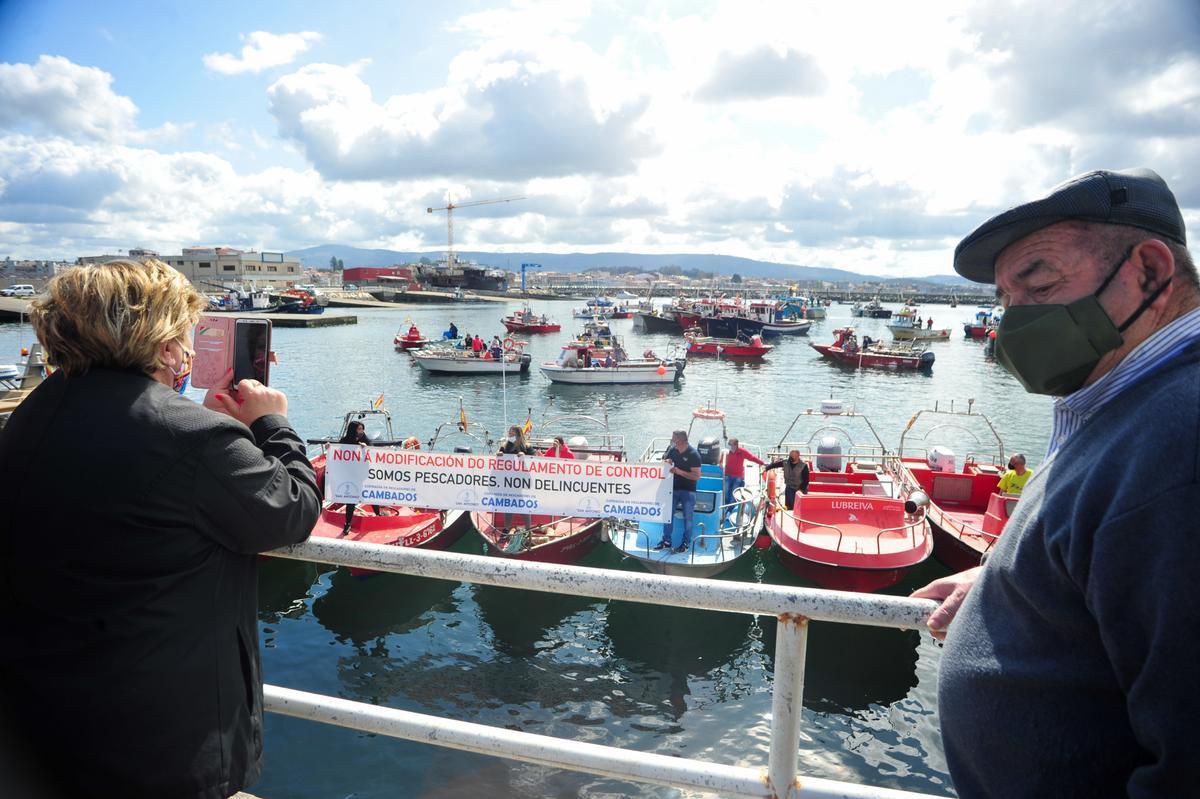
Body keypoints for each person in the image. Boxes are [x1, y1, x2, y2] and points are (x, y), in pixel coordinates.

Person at [911, 168, 1200, 798]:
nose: (1011, 322)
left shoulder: (1182, 442)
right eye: (1006, 300)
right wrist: (1009, 582)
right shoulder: (1124, 403)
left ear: (1149, 271)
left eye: (1037, 283)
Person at [0, 259, 321, 799]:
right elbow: (291, 511)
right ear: (165, 344)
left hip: (43, 722)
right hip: (157, 743)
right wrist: (271, 422)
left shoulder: (33, 415)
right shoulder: (195, 439)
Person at [655, 430, 702, 553]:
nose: (671, 441)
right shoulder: (672, 450)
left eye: (673, 439)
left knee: (688, 518)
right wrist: (666, 462)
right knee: (667, 515)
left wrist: (679, 471)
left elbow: (696, 476)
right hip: (673, 490)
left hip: (688, 491)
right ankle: (666, 541)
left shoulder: (693, 454)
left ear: (680, 441)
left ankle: (685, 543)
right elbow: (664, 462)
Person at [338, 421, 376, 535]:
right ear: (353, 429)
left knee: (372, 494)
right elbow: (337, 453)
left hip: (363, 473)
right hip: (350, 474)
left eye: (362, 429)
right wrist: (329, 447)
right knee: (351, 500)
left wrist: (366, 448)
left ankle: (378, 514)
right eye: (359, 429)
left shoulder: (364, 439)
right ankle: (347, 524)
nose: (361, 431)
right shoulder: (345, 441)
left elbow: (373, 453)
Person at [722, 437, 764, 516]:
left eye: (729, 444)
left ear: (735, 445)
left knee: (733, 493)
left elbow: (752, 458)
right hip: (727, 474)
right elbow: (721, 461)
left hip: (738, 476)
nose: (728, 446)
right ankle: (726, 506)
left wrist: (762, 463)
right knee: (726, 491)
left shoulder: (742, 452)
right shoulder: (726, 452)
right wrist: (722, 465)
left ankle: (729, 510)